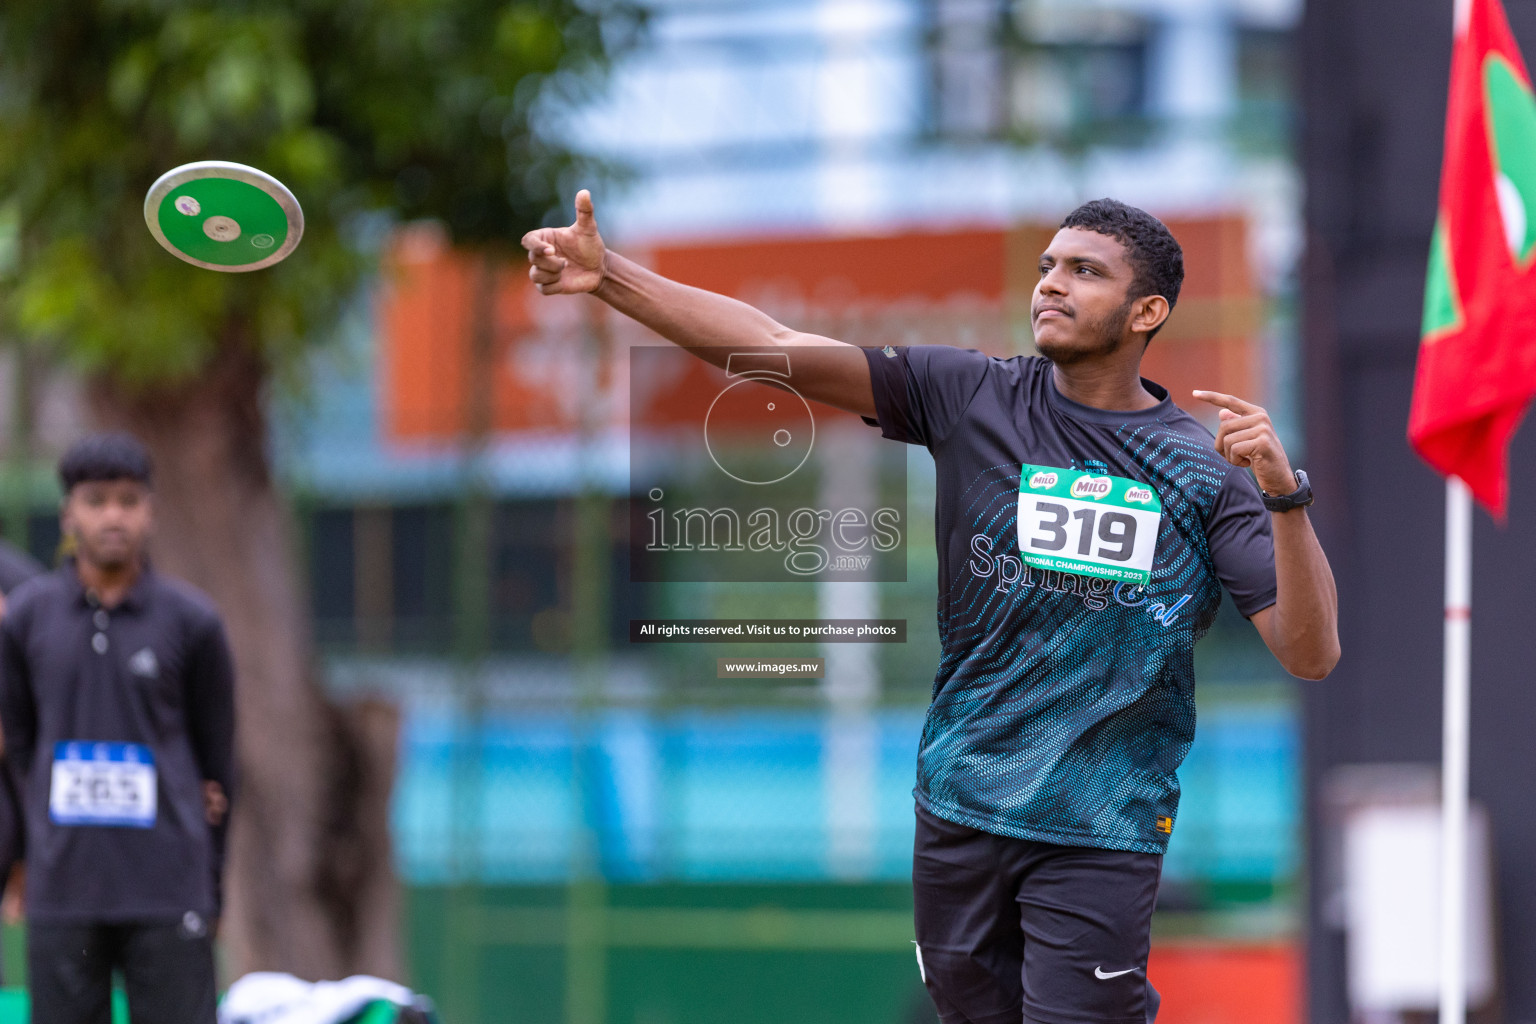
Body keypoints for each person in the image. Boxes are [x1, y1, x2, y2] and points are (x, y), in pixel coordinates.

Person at [522, 193, 1339, 1024]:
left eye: (1085, 272)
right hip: (960, 813)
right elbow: (770, 347)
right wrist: (608, 276)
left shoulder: (1204, 474)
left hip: (1100, 827)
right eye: (1048, 266)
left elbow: (1311, 653)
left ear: (1148, 311)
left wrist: (1286, 499)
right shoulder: (971, 395)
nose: (1051, 285)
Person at [0, 432, 236, 1024]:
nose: (113, 516)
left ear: (151, 512)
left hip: (166, 893)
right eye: (97, 499)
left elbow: (219, 765)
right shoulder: (28, 621)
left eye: (128, 501)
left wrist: (211, 882)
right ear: (68, 513)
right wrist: (34, 855)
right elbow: (22, 747)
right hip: (65, 898)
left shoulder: (192, 621)